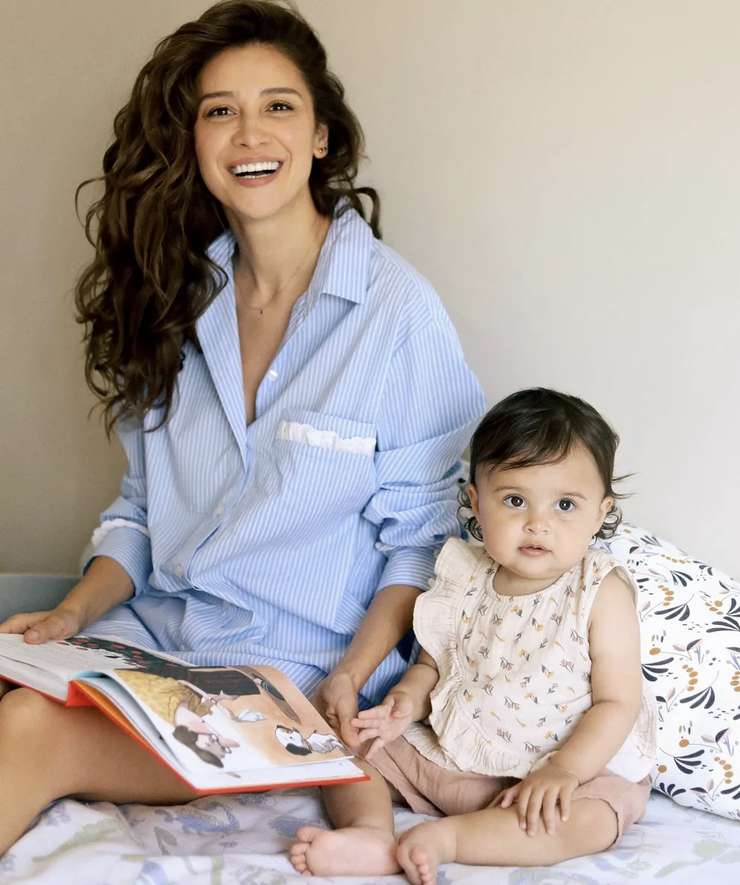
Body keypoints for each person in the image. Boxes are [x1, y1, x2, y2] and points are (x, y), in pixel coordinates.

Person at [0, 0, 483, 856]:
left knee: (32, 730)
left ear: (322, 136)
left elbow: (426, 545)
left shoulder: (397, 312)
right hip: (150, 641)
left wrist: (348, 679)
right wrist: (68, 614)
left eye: (278, 106)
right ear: (193, 141)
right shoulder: (178, 302)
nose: (249, 133)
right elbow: (142, 513)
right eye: (219, 111)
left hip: (289, 679)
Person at [289, 388, 657, 882]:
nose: (538, 524)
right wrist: (405, 703)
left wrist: (565, 770)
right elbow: (434, 665)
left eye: (565, 504)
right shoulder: (464, 575)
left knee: (592, 818)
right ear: (476, 504)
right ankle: (370, 832)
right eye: (515, 500)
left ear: (600, 513)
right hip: (460, 762)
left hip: (567, 773)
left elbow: (617, 703)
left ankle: (449, 840)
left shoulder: (599, 591)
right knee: (349, 747)